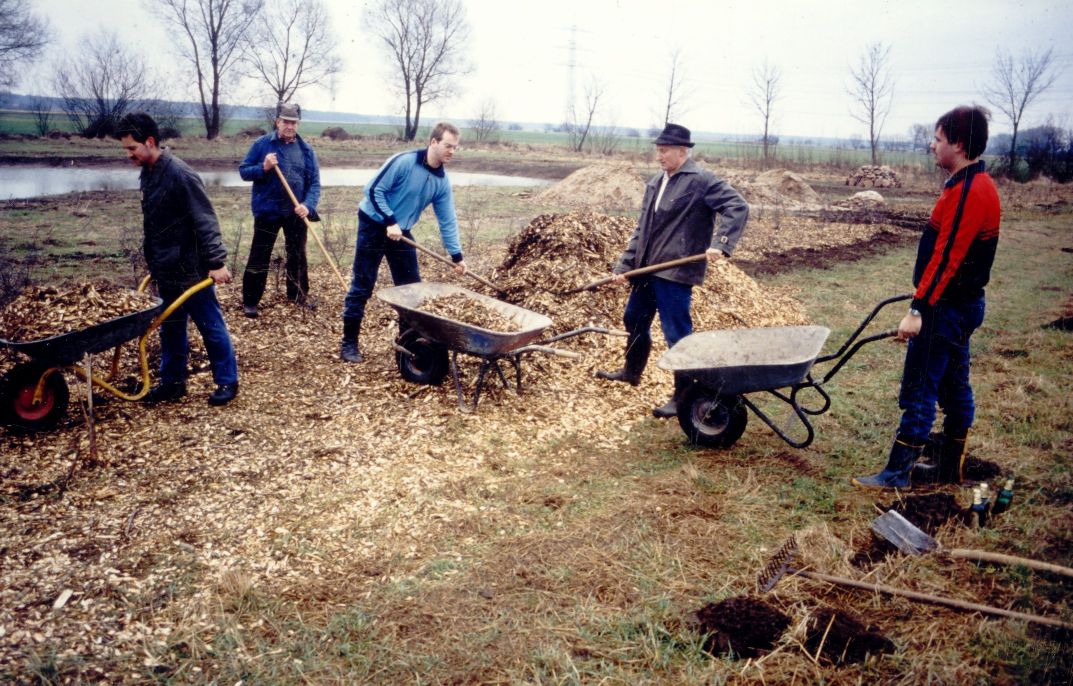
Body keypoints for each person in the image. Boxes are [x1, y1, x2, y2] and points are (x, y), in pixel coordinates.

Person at [853, 105, 1000, 489]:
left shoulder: (969, 191)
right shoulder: (969, 185)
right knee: (954, 385)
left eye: (937, 138)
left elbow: (946, 257)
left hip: (944, 309)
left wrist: (917, 308)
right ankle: (951, 467)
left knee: (920, 387)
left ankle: (897, 474)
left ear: (959, 143)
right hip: (959, 306)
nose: (931, 145)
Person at [596, 123, 749, 417]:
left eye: (664, 151)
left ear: (682, 151)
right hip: (648, 269)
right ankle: (631, 371)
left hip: (675, 272)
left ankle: (683, 396)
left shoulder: (701, 180)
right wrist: (625, 265)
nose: (659, 156)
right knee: (634, 319)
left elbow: (737, 206)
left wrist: (722, 243)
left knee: (676, 333)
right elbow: (642, 229)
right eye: (658, 150)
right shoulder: (656, 182)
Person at [114, 112, 239, 406]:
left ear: (150, 141)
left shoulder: (180, 175)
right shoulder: (148, 171)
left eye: (132, 148)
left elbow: (205, 219)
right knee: (169, 326)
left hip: (191, 268)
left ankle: (227, 381)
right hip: (166, 266)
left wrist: (216, 262)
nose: (128, 154)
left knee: (210, 325)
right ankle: (172, 382)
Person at [339, 122, 467, 363]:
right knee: (363, 284)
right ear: (433, 142)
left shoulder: (441, 182)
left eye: (455, 148)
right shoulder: (404, 162)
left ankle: (406, 344)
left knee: (411, 289)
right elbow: (374, 190)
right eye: (448, 146)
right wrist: (389, 221)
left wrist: (456, 256)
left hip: (401, 231)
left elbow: (447, 219)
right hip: (374, 223)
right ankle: (349, 344)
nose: (452, 151)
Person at [238, 102, 322, 318]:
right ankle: (250, 301)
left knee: (297, 255)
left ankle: (298, 295)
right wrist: (263, 167)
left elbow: (314, 184)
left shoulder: (306, 150)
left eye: (293, 122)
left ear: (298, 124)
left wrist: (308, 205)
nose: (289, 126)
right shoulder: (262, 144)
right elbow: (244, 171)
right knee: (259, 255)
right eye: (285, 121)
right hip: (267, 212)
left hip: (295, 212)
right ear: (277, 122)